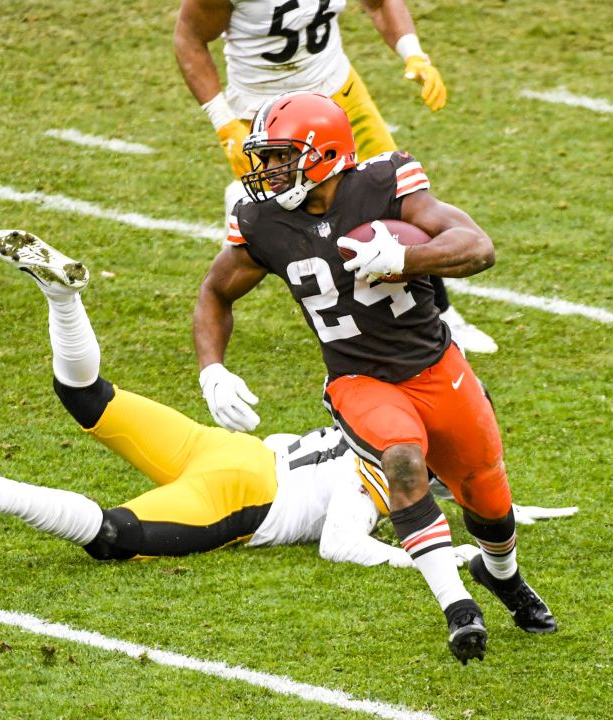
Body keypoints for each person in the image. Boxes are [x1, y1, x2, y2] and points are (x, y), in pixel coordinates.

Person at [193, 92, 556, 664]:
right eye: (266, 158)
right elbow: (216, 291)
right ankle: (458, 607)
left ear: (326, 154)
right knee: (403, 460)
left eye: (283, 157)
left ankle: (502, 575)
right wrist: (211, 368)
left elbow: (477, 247)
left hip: (436, 367)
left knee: (487, 494)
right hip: (357, 378)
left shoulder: (383, 184)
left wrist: (405, 261)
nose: (268, 172)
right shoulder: (262, 221)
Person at [0, 229, 501, 570]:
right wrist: (424, 555)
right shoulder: (383, 473)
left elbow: (464, 491)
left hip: (229, 449)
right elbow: (340, 543)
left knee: (84, 394)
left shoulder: (383, 418)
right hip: (244, 492)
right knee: (116, 537)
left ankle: (62, 299)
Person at [173, 0, 497, 354]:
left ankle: (441, 313)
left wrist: (413, 53)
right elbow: (189, 36)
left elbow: (379, 3)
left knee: (395, 198)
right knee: (284, 222)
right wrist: (223, 121)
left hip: (336, 97)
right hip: (265, 117)